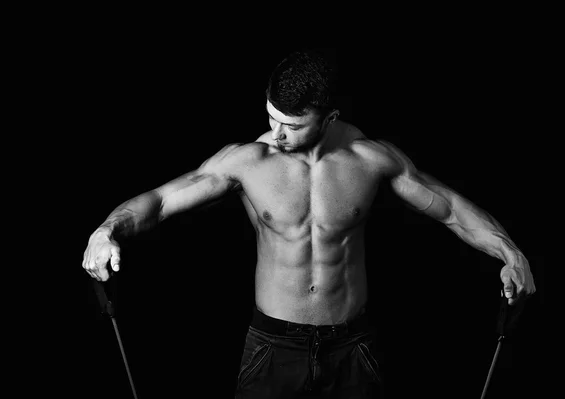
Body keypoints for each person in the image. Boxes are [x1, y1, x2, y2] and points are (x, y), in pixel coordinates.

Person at [82, 50, 536, 398]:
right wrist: (107, 228)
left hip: (353, 345)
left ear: (330, 117)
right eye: (271, 118)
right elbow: (160, 202)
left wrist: (510, 253)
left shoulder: (371, 160)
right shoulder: (247, 161)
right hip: (272, 347)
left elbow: (452, 209)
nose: (275, 135)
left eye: (291, 126)